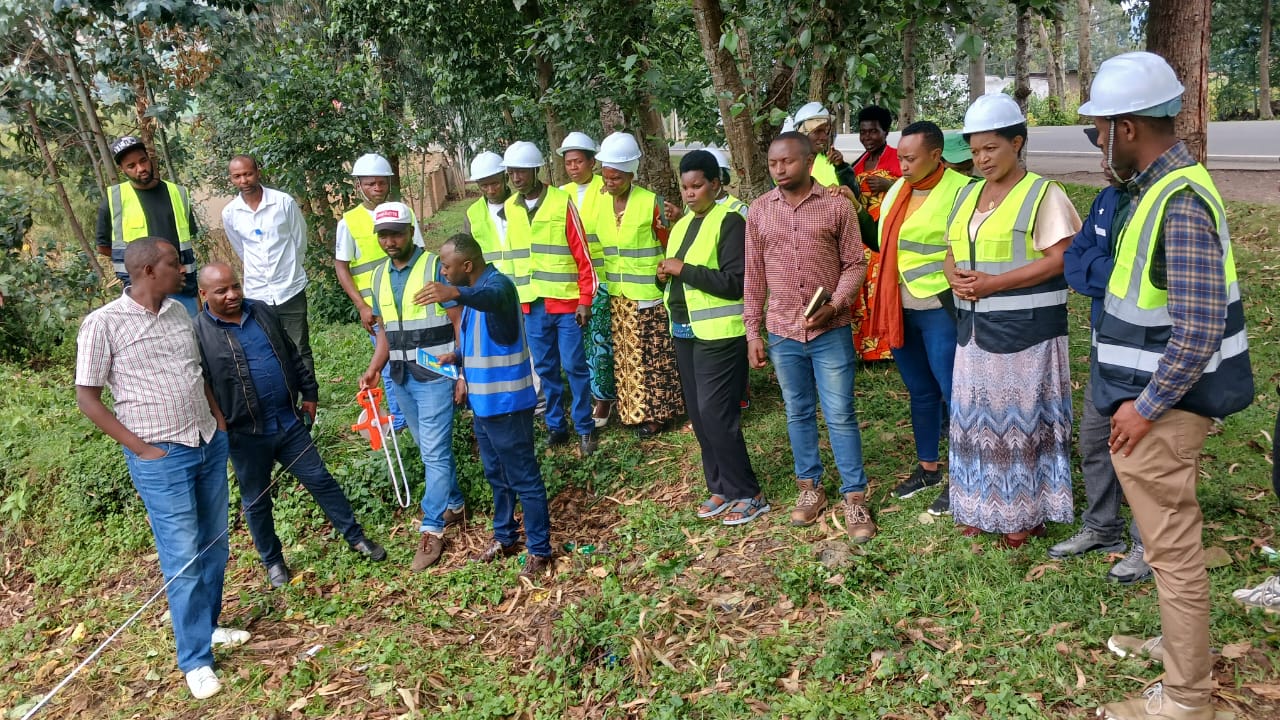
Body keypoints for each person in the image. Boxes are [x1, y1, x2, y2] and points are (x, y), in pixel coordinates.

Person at [1080, 52, 1253, 720]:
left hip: (1164, 407)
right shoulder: (1161, 188)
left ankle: (1185, 699)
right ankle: (1181, 653)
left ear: (1127, 127)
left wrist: (1144, 410)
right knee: (1163, 547)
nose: (1098, 143)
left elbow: (1200, 325)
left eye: (1100, 129)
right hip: (1151, 399)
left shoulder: (1177, 201)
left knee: (1173, 553)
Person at [75, 238, 246, 700]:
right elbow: (87, 398)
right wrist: (142, 449)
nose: (182, 270)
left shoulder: (178, 313)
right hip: (161, 456)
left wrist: (218, 418)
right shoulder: (102, 324)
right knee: (183, 556)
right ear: (148, 270)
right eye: (174, 264)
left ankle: (208, 628)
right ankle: (195, 660)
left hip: (207, 441)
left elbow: (196, 372)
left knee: (214, 542)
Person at [942, 93, 1080, 549]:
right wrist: (954, 277)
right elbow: (951, 250)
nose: (982, 159)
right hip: (974, 332)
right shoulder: (967, 194)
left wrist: (993, 285)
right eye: (975, 150)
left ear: (1017, 143)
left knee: (1021, 424)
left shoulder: (1044, 194)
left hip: (1026, 334)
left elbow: (1061, 259)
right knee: (977, 422)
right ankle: (982, 507)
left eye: (991, 149)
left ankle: (1024, 513)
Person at [195, 262, 387, 589]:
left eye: (235, 286)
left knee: (320, 480)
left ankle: (356, 537)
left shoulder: (261, 312)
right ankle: (273, 561)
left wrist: (309, 392)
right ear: (203, 295)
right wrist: (220, 426)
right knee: (256, 501)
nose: (232, 295)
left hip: (289, 422)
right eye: (221, 291)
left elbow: (292, 353)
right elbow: (203, 385)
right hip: (246, 436)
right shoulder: (198, 333)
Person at [744, 132, 875, 542]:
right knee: (797, 411)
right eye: (772, 164)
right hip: (782, 331)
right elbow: (754, 277)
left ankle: (855, 496)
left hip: (830, 330)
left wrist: (835, 304)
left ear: (808, 160)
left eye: (788, 162)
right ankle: (810, 488)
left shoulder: (837, 205)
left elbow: (855, 264)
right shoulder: (760, 211)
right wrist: (753, 331)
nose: (780, 170)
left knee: (839, 413)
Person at [421, 233, 555, 581]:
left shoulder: (497, 288)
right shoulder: (474, 298)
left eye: (447, 268)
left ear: (467, 266)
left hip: (508, 404)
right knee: (497, 475)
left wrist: (456, 293)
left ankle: (540, 549)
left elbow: (492, 300)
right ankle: (505, 537)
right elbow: (487, 340)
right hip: (484, 406)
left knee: (524, 477)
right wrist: (458, 357)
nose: (444, 274)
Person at [1051, 134, 1151, 585]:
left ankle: (1148, 543)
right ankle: (1101, 526)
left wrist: (1110, 272)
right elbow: (1075, 262)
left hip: (1150, 351)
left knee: (1144, 451)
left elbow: (1145, 275)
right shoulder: (1107, 201)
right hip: (1104, 346)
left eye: (1107, 151)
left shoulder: (1160, 203)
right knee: (1095, 439)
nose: (1102, 163)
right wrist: (1114, 273)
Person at [862, 122, 972, 513]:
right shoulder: (898, 190)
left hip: (939, 307)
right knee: (920, 391)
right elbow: (880, 239)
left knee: (952, 391)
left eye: (910, 159)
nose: (902, 165)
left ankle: (964, 473)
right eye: (901, 157)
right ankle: (929, 467)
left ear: (936, 155)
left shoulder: (961, 191)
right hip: (900, 305)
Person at [658, 150, 766, 525]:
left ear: (715, 185)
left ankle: (748, 493)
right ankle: (719, 486)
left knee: (716, 414)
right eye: (685, 187)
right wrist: (666, 276)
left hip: (720, 334)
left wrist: (683, 269)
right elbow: (680, 275)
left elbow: (737, 283)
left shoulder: (731, 221)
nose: (689, 194)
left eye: (697, 186)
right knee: (700, 418)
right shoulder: (683, 225)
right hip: (685, 331)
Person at [357, 202, 466, 572]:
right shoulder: (377, 277)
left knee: (434, 452)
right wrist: (375, 368)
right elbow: (387, 331)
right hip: (401, 378)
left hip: (436, 375)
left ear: (410, 231)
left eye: (397, 233)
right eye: (384, 235)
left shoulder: (435, 266)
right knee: (427, 449)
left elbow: (459, 321)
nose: (390, 241)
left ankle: (432, 528)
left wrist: (463, 371)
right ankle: (454, 504)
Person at [503, 141, 600, 455]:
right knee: (545, 370)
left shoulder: (561, 201)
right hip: (532, 304)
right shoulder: (511, 208)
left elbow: (582, 254)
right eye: (511, 172)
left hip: (567, 303)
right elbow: (513, 258)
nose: (516, 178)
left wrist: (586, 298)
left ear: (535, 171)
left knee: (574, 367)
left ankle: (584, 428)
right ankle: (556, 426)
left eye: (521, 171)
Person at [593, 132, 684, 437]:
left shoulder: (651, 203)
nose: (609, 182)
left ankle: (658, 414)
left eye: (616, 177)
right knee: (627, 357)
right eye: (606, 176)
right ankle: (633, 413)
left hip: (649, 293)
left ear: (631, 174)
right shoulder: (600, 206)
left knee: (653, 356)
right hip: (618, 294)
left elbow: (672, 243)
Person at [334, 153, 424, 431]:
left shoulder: (403, 213)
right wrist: (362, 306)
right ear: (359, 185)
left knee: (417, 355)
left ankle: (418, 408)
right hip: (376, 309)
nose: (377, 188)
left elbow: (420, 253)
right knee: (386, 363)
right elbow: (342, 267)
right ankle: (398, 419)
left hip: (408, 301)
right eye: (370, 183)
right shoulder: (348, 222)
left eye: (381, 183)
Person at [220, 155, 314, 377]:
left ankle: (309, 405)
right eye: (237, 176)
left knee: (300, 347)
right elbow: (240, 248)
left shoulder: (283, 202)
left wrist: (289, 269)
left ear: (258, 172)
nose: (244, 180)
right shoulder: (230, 213)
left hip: (290, 287)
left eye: (248, 174)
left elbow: (299, 241)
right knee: (269, 349)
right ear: (232, 179)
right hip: (258, 293)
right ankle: (285, 400)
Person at [95, 136, 201, 316]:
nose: (141, 168)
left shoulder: (178, 193)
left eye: (143, 160)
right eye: (132, 166)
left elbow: (187, 241)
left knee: (191, 339)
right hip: (142, 294)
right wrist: (137, 264)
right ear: (122, 170)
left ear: (149, 158)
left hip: (182, 288)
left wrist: (196, 294)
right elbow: (103, 247)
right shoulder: (115, 200)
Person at [557, 132, 617, 429]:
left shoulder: (604, 189)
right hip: (572, 280)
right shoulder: (560, 193)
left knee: (601, 343)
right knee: (580, 345)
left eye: (578, 161)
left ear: (592, 162)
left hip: (603, 280)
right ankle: (589, 395)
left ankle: (604, 398)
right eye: (568, 162)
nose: (573, 167)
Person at [849, 105, 902, 362]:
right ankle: (865, 349)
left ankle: (888, 347)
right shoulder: (857, 163)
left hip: (885, 237)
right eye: (863, 132)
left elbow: (914, 187)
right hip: (861, 238)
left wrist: (890, 184)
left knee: (882, 289)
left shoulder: (897, 158)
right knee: (860, 292)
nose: (867, 137)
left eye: (873, 132)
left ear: (886, 132)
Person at [792, 102, 858, 191]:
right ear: (802, 133)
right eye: (817, 131)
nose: (825, 137)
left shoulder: (833, 164)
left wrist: (841, 168)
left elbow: (853, 196)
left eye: (825, 131)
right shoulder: (784, 163)